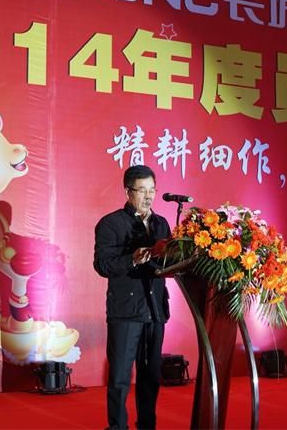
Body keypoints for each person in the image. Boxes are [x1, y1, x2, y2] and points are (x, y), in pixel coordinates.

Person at [94, 165, 171, 430]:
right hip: (126, 310)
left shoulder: (161, 224)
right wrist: (133, 259)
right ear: (128, 192)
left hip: (155, 309)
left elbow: (167, 264)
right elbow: (102, 265)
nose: (149, 196)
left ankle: (147, 425)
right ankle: (117, 426)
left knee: (151, 376)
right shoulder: (111, 223)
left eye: (152, 190)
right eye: (142, 190)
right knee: (120, 378)